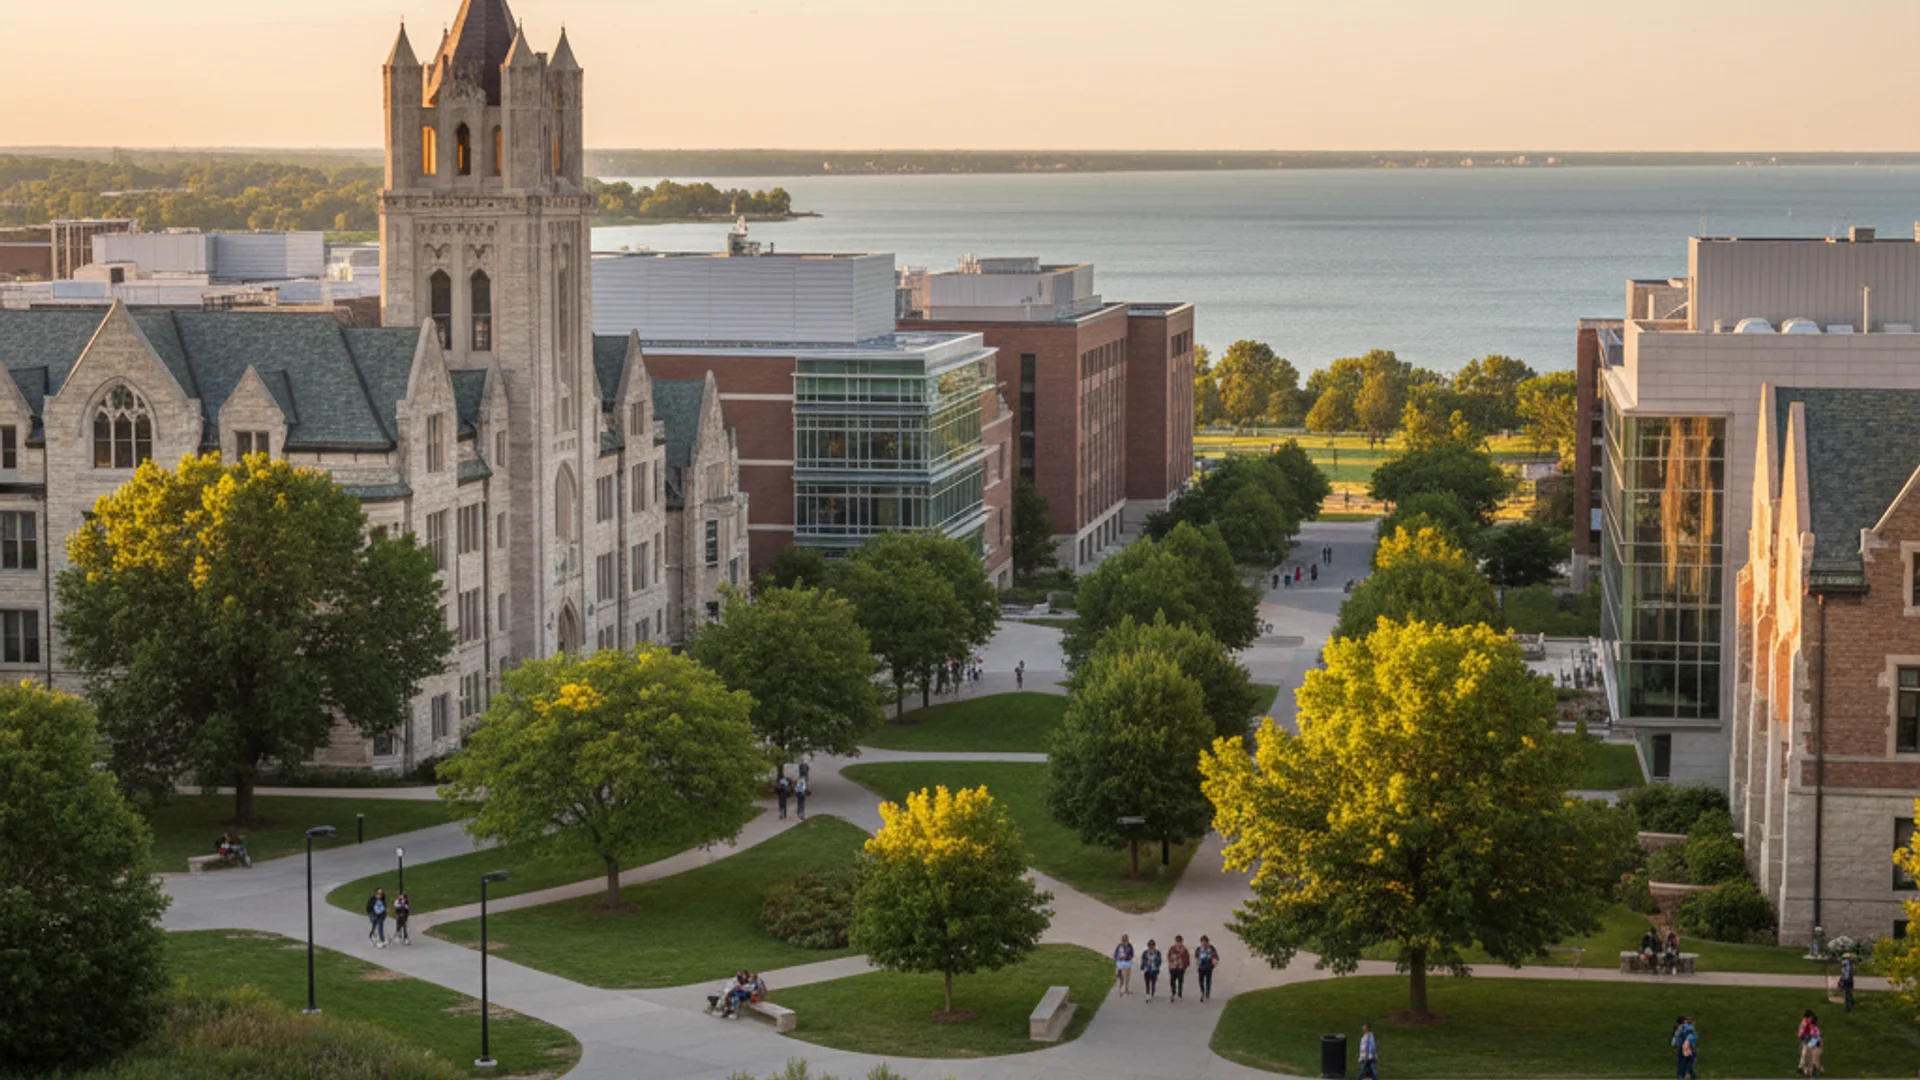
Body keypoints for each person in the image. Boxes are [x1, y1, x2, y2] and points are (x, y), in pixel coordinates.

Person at [1798, 1011, 1822, 1076]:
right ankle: (1810, 1068)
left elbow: (1801, 1033)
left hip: (1810, 1038)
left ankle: (1809, 1068)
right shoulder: (1807, 1023)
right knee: (1809, 1053)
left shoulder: (1806, 1023)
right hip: (1810, 1038)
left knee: (1808, 1053)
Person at [1673, 1016, 1698, 1080]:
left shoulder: (1680, 1028)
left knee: (1683, 1063)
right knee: (1688, 1062)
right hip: (1687, 1047)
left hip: (1684, 1047)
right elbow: (1693, 1037)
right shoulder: (1687, 1028)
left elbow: (1676, 1038)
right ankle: (1689, 1074)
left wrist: (1675, 1043)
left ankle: (1684, 1075)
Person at [1195, 935, 1219, 1002]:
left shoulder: (1211, 948)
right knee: (1200, 980)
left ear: (1207, 942)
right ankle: (1202, 992)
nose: (1204, 944)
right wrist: (1198, 961)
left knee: (1208, 981)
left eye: (1205, 943)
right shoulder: (1199, 949)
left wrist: (1215, 961)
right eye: (1202, 943)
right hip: (1201, 967)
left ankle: (1208, 992)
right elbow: (1196, 956)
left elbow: (1215, 956)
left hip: (1208, 967)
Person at [1166, 935, 1190, 1001]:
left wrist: (1184, 966)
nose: (1179, 943)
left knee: (1180, 981)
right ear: (1175, 941)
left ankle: (1179, 994)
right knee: (1172, 981)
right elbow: (1168, 956)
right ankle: (1173, 993)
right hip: (1173, 967)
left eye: (1180, 941)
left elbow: (1187, 960)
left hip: (1180, 968)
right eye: (1177, 941)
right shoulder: (1172, 948)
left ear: (1182, 942)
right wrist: (1171, 962)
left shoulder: (1185, 950)